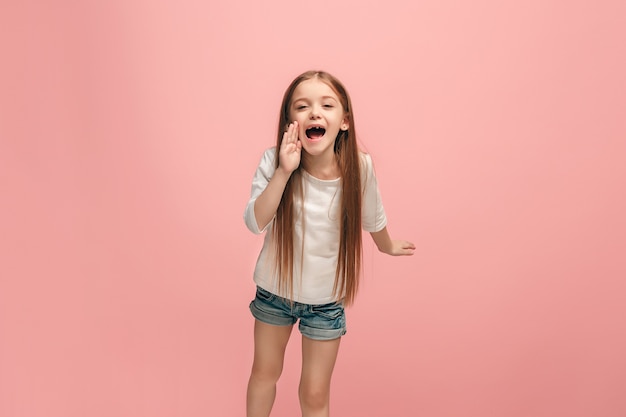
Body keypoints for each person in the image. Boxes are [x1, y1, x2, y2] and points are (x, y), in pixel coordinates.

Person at [243, 70, 415, 417]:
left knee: (315, 393)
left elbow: (372, 216)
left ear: (345, 121)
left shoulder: (359, 167)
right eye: (302, 106)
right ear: (290, 120)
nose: (314, 113)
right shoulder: (274, 161)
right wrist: (284, 171)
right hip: (275, 293)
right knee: (265, 374)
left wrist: (386, 244)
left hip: (325, 304)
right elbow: (255, 221)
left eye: (326, 105)